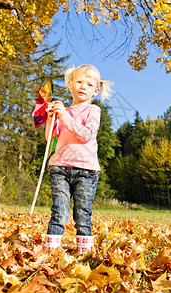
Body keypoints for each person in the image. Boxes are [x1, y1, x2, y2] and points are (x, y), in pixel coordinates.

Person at [44, 64, 113, 253]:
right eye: (80, 82)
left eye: (90, 84)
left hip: (86, 170)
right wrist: (51, 118)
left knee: (82, 213)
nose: (84, 86)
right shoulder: (62, 111)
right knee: (59, 210)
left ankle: (84, 254)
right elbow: (51, 137)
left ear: (96, 91)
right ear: (70, 84)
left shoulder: (93, 111)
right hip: (60, 166)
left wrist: (64, 116)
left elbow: (86, 135)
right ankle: (51, 252)